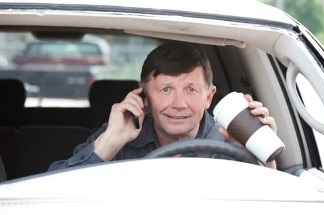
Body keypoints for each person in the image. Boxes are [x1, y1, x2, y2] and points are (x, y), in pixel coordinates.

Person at [48, 42, 277, 171]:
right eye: (166, 89)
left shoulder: (232, 137)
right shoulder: (122, 134)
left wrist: (263, 158)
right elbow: (50, 195)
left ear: (209, 97)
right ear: (145, 97)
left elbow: (273, 204)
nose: (179, 104)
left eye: (190, 89)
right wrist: (111, 141)